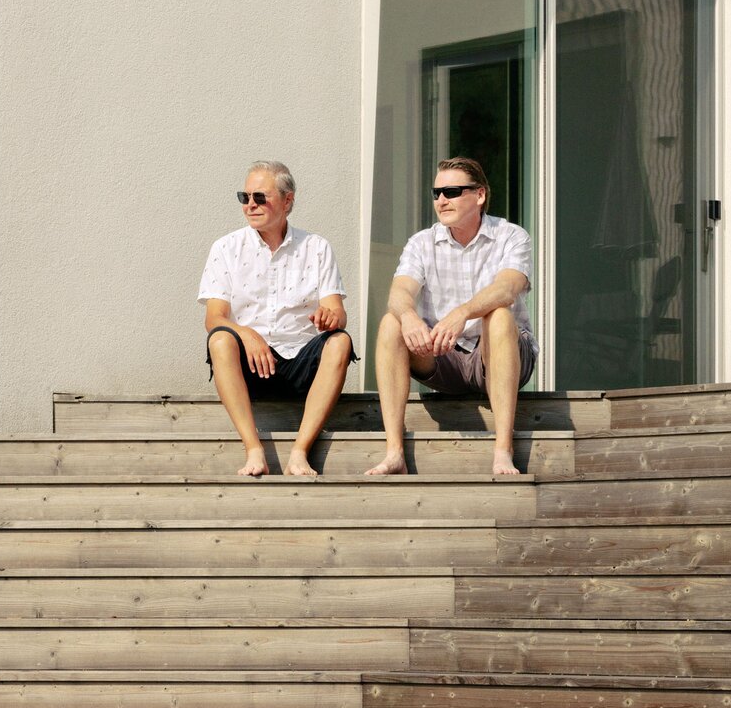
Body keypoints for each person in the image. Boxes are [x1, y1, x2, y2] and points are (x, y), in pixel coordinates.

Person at [367, 156, 537, 479]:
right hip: (445, 356)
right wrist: (409, 317)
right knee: (392, 322)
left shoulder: (512, 236)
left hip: (499, 352)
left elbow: (507, 289)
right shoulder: (421, 242)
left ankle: (503, 450)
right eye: (437, 193)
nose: (442, 200)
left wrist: (462, 313)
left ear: (480, 195)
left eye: (453, 191)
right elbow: (398, 293)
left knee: (499, 315)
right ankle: (394, 453)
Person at [199, 161, 354, 478]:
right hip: (252, 365)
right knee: (220, 339)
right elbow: (214, 318)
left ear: (287, 201)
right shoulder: (226, 248)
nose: (250, 205)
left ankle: (300, 452)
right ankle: (253, 448)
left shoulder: (316, 247)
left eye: (260, 197)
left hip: (300, 360)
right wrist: (247, 334)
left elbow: (338, 312)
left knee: (340, 341)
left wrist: (329, 317)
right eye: (245, 197)